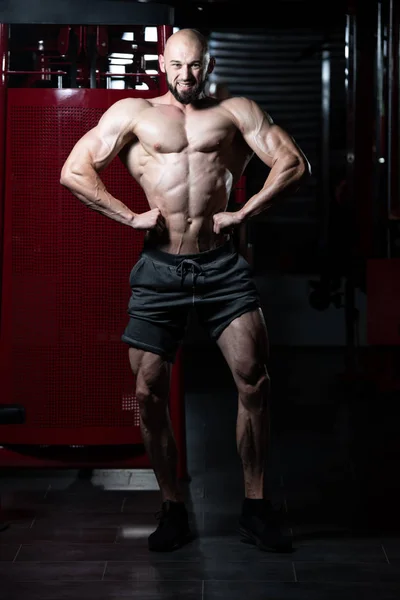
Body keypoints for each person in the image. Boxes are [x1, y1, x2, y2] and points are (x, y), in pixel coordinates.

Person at [60, 28, 311, 553]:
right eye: (176, 66)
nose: (185, 76)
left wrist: (244, 211)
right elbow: (74, 170)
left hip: (222, 267)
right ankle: (172, 505)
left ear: (209, 64)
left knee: (254, 381)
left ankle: (256, 507)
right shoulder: (135, 113)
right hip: (159, 269)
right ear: (162, 62)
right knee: (148, 392)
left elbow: (293, 163)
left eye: (194, 66)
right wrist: (129, 216)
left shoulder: (236, 111)